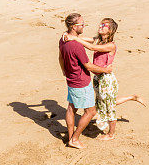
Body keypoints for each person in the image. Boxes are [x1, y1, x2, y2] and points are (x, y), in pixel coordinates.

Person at [64, 17, 144, 141]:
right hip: (97, 78)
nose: (100, 26)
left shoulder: (111, 45)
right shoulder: (98, 40)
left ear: (110, 30)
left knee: (109, 107)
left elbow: (91, 48)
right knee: (103, 104)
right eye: (101, 24)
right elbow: (83, 39)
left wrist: (74, 38)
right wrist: (69, 34)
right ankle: (132, 97)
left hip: (107, 79)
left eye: (104, 25)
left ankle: (111, 134)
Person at [59, 13, 112, 149]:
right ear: (73, 26)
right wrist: (105, 70)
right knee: (90, 112)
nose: (84, 26)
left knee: (72, 108)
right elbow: (88, 65)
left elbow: (60, 58)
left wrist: (64, 71)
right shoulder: (76, 46)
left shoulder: (63, 38)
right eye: (82, 24)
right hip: (81, 82)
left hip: (71, 79)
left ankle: (71, 137)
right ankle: (75, 139)